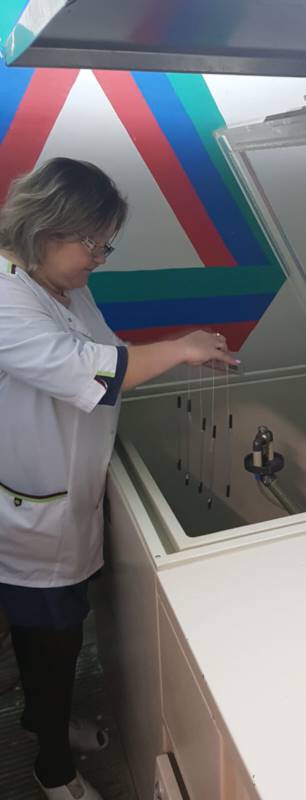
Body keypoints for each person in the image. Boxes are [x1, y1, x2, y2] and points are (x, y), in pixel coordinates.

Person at [0, 157, 238, 800]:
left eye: (107, 245)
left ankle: (44, 720)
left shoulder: (61, 282)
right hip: (31, 513)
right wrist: (183, 346)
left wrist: (181, 356)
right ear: (47, 227)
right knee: (49, 637)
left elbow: (107, 353)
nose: (100, 259)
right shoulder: (5, 296)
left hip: (67, 492)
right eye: (93, 244)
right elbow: (87, 370)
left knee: (58, 631)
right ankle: (53, 767)